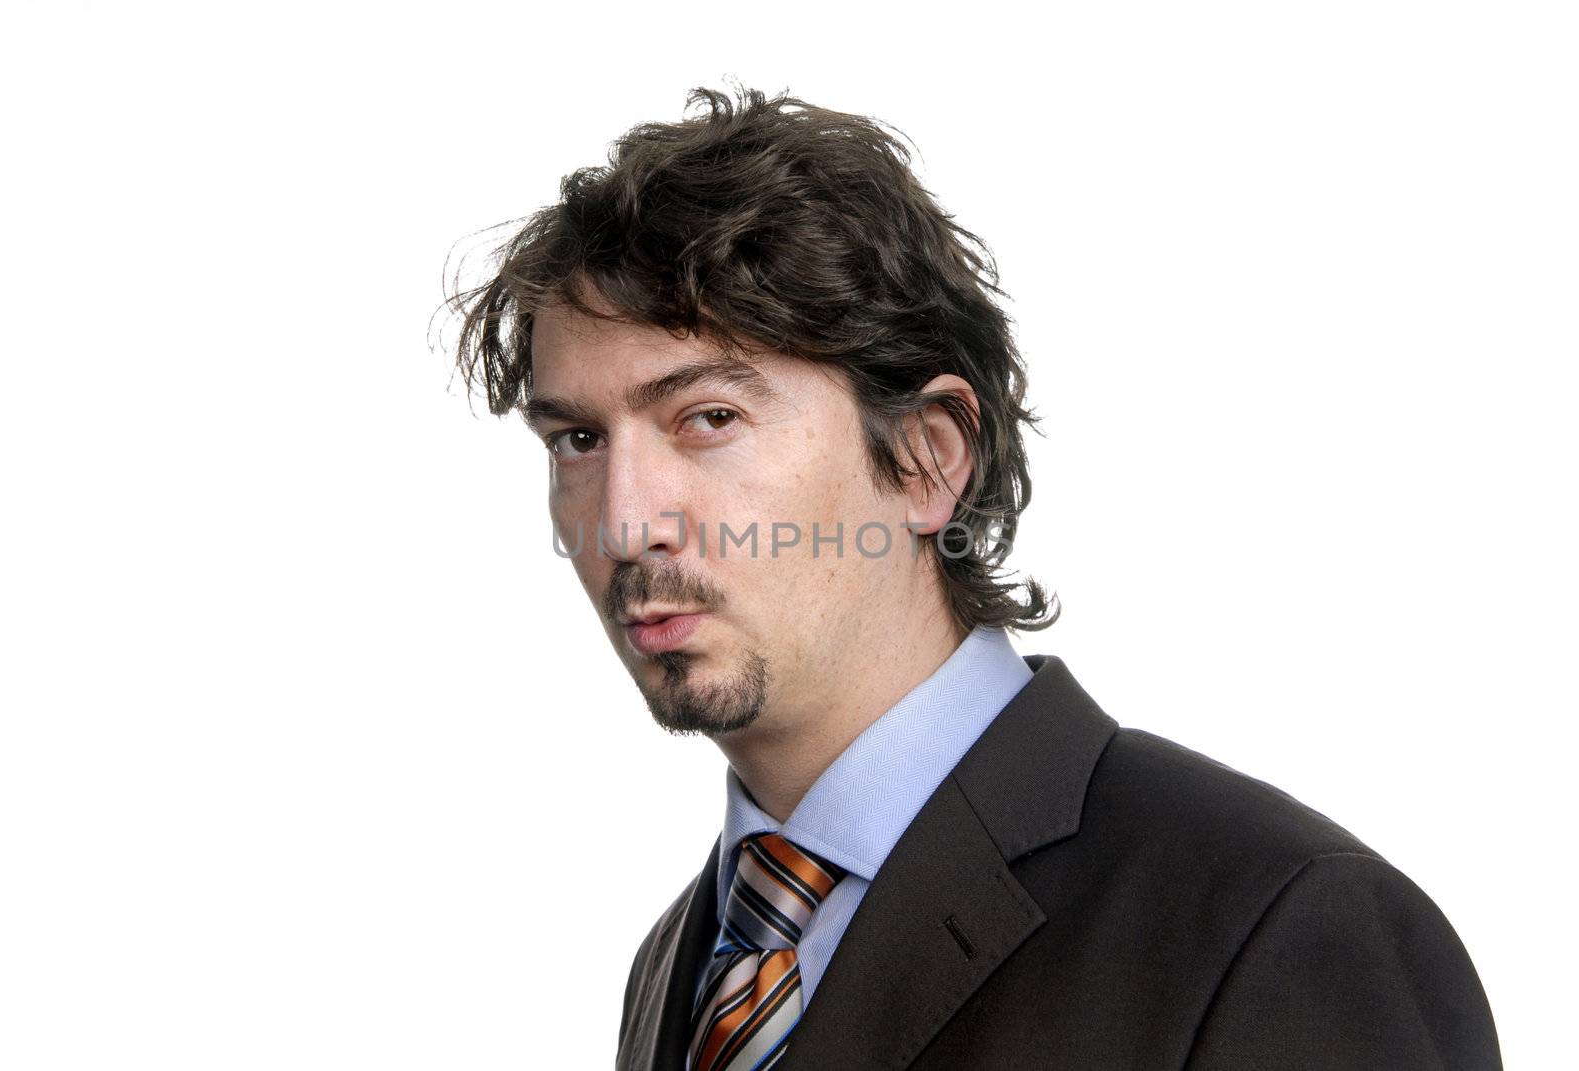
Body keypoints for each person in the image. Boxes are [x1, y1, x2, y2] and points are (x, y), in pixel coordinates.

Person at [447, 86, 1501, 1070]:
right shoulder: (687, 961)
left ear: (926, 458)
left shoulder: (1276, 924)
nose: (626, 521)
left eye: (708, 418)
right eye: (577, 438)